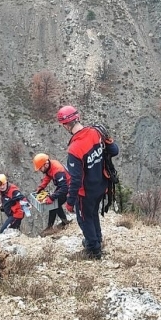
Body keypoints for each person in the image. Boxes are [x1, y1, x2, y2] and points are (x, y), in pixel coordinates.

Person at [57, 105, 119, 259]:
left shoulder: (74, 149)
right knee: (92, 214)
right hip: (101, 185)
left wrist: (70, 202)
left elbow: (76, 180)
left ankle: (93, 250)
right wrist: (108, 139)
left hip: (86, 192)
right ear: (78, 117)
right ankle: (96, 240)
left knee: (84, 218)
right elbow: (114, 151)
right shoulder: (96, 132)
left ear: (65, 125)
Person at [32, 153, 71, 234]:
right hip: (64, 185)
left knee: (53, 204)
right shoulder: (50, 165)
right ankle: (65, 222)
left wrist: (51, 198)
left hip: (69, 187)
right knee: (56, 203)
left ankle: (50, 227)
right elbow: (48, 176)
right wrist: (41, 187)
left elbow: (64, 188)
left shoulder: (57, 171)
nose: (39, 170)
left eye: (40, 168)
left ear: (45, 165)